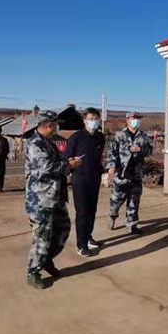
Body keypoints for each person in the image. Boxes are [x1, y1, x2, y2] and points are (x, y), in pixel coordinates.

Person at [25, 110, 82, 289]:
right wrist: (68, 165)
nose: (57, 127)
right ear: (49, 125)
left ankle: (46, 259)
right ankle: (33, 272)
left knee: (62, 229)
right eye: (56, 124)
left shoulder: (47, 142)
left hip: (55, 196)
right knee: (42, 236)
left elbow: (58, 159)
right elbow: (47, 167)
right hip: (41, 200)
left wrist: (68, 160)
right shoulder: (34, 143)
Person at [65, 108, 106, 257]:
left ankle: (88, 237)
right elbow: (67, 159)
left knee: (92, 210)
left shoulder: (100, 137)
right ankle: (81, 245)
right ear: (84, 120)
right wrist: (71, 163)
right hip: (80, 179)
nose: (94, 121)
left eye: (96, 119)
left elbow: (99, 157)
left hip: (94, 178)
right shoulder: (75, 138)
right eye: (91, 119)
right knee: (82, 212)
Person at [107, 111, 152, 234]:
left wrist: (140, 149)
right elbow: (112, 151)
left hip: (136, 174)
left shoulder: (143, 136)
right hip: (121, 174)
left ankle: (131, 226)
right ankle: (112, 216)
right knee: (116, 200)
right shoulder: (120, 135)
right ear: (127, 120)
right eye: (133, 118)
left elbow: (149, 151)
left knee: (134, 201)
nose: (136, 120)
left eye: (137, 118)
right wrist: (111, 166)